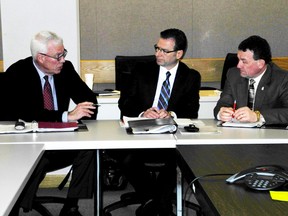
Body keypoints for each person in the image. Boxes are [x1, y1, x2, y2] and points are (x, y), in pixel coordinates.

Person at [6, 31, 98, 216]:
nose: (63, 59)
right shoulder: (18, 72)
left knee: (90, 149)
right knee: (39, 159)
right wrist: (66, 116)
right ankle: (15, 207)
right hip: (28, 143)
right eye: (58, 56)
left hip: (62, 140)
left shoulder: (66, 69)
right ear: (40, 58)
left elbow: (89, 99)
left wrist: (78, 119)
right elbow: (26, 113)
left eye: (64, 53)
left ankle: (71, 207)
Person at [115, 28, 201, 216]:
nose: (157, 54)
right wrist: (143, 112)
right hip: (140, 133)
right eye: (157, 48)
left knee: (177, 159)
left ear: (179, 54)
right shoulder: (141, 70)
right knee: (127, 158)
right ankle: (155, 202)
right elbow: (125, 103)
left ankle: (154, 204)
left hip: (170, 135)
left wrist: (170, 113)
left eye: (164, 50)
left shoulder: (191, 77)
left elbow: (192, 110)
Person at [214, 35, 288, 125]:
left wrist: (257, 116)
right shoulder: (233, 75)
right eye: (238, 60)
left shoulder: (282, 79)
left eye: (244, 61)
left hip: (270, 135)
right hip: (238, 135)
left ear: (260, 63)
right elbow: (222, 104)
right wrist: (221, 113)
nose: (238, 65)